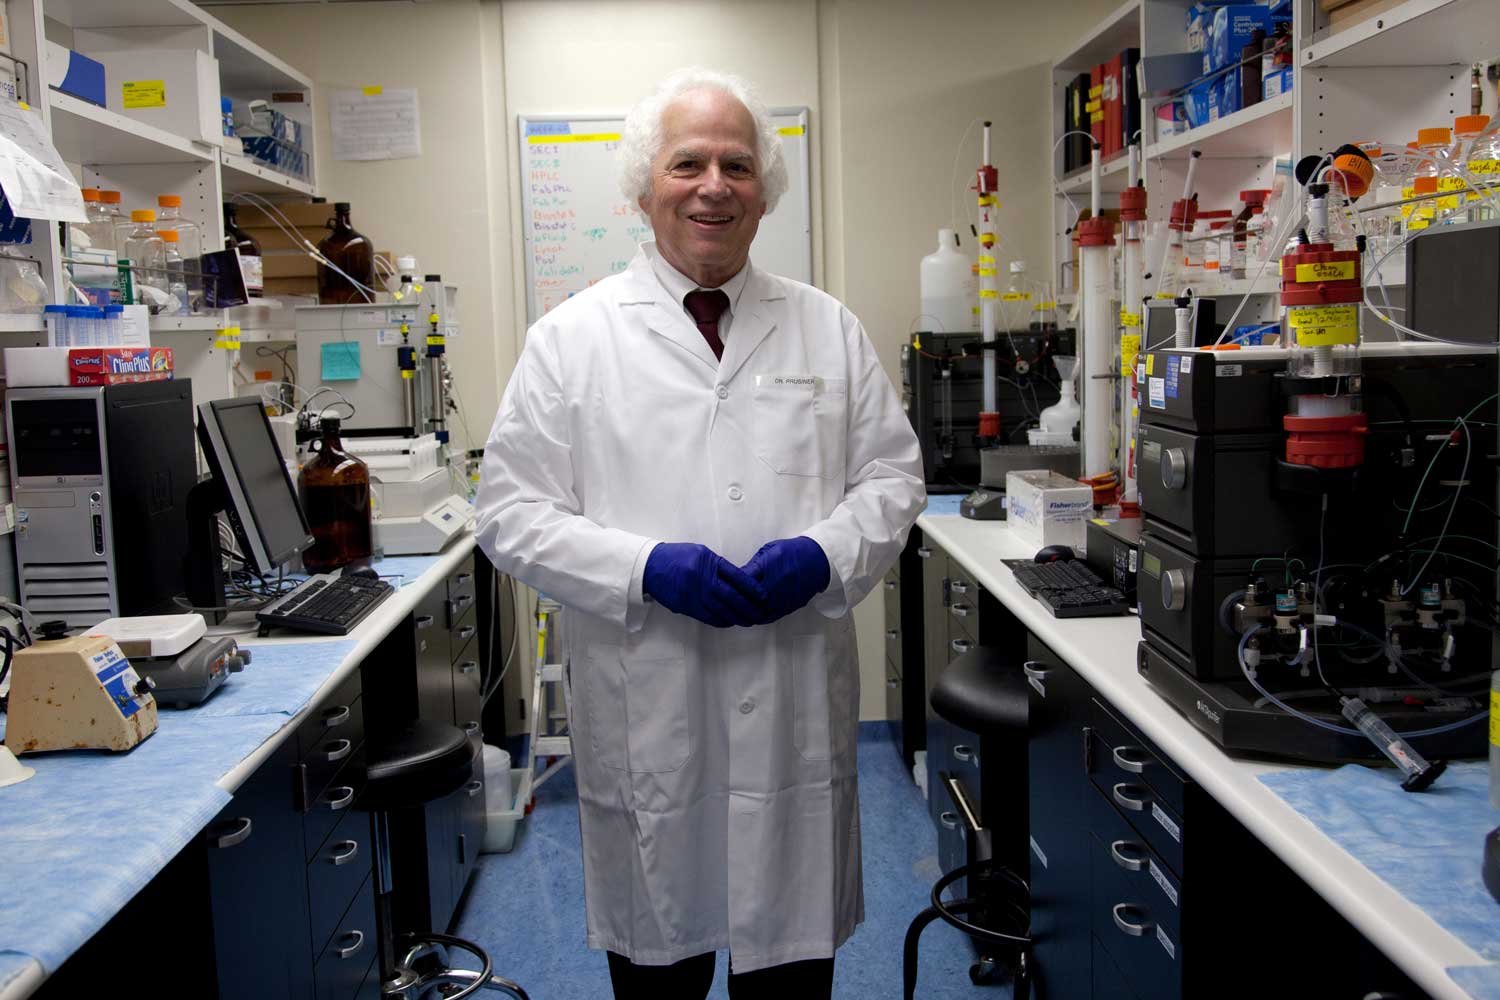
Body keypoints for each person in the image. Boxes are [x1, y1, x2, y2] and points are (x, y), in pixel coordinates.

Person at [474, 66, 924, 999]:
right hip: (649, 710)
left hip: (792, 694)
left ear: (765, 193)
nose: (714, 185)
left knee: (791, 977)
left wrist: (823, 555)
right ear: (644, 190)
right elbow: (509, 513)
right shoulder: (571, 339)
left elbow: (892, 476)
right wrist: (644, 568)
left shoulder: (827, 330)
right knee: (658, 971)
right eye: (688, 163)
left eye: (738, 165)